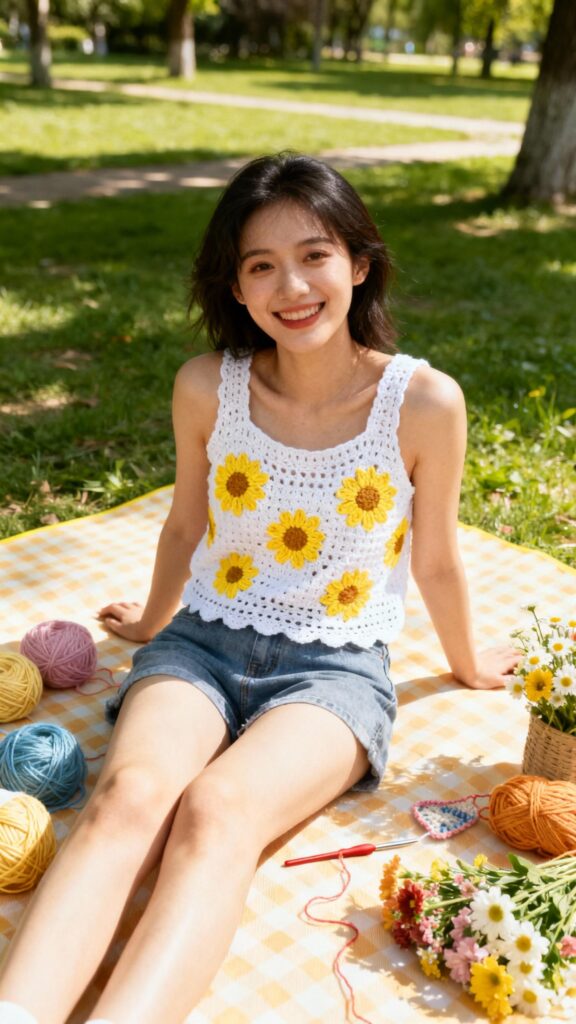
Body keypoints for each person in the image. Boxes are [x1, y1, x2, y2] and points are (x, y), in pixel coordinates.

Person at [0, 153, 520, 1024]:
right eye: (260, 265)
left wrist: (467, 663)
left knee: (216, 811)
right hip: (201, 641)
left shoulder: (425, 401)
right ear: (235, 289)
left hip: (337, 673)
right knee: (126, 798)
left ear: (359, 263)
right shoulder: (208, 387)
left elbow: (435, 559)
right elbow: (184, 525)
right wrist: (153, 619)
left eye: (315, 255)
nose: (293, 285)